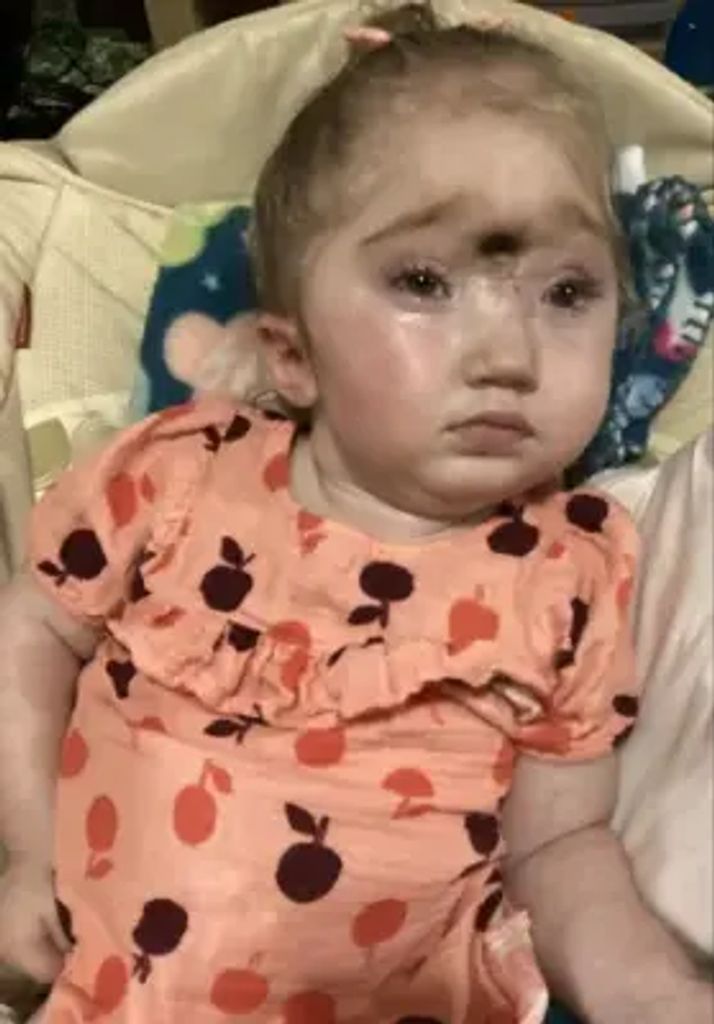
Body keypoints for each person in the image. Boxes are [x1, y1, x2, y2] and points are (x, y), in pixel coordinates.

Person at [0, 4, 710, 1021]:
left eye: (566, 292)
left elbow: (559, 842)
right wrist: (27, 852)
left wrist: (647, 987)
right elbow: (30, 629)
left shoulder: (576, 569)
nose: (508, 354)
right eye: (424, 281)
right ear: (291, 355)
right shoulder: (179, 471)